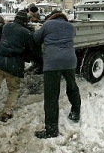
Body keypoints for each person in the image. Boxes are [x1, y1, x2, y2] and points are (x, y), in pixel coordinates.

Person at [33, 10, 81, 139]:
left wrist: (40, 30)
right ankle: (76, 112)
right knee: (72, 87)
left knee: (51, 96)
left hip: (53, 63)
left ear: (51, 17)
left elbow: (36, 39)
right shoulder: (71, 27)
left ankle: (52, 130)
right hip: (70, 61)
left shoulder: (47, 25)